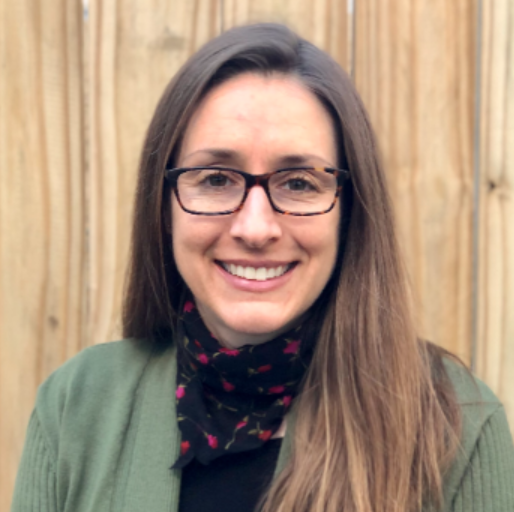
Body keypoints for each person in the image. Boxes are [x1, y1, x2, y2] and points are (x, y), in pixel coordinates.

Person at [11, 23, 514, 512]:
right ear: (163, 207)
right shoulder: (77, 406)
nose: (255, 228)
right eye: (214, 178)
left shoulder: (455, 426)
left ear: (350, 212)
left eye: (298, 182)